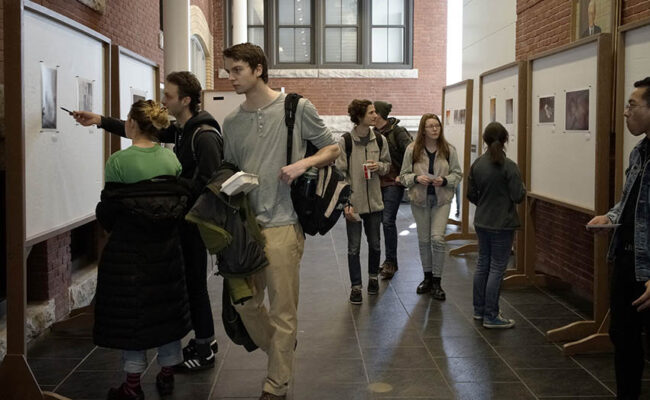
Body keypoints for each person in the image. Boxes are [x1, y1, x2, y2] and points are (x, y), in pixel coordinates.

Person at [73, 71, 221, 371]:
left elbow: (209, 181)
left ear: (186, 100)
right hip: (180, 219)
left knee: (194, 283)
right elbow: (145, 131)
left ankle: (205, 345)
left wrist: (170, 192)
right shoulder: (183, 129)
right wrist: (100, 120)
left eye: (169, 96)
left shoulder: (202, 134)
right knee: (185, 283)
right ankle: (201, 340)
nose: (164, 101)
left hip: (192, 221)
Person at [222, 42, 340, 400]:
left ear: (258, 69)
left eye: (237, 70)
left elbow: (332, 147)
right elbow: (230, 170)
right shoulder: (231, 122)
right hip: (247, 228)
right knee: (245, 304)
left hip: (284, 224)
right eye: (228, 72)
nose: (231, 78)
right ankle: (282, 347)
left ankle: (276, 385)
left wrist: (303, 163)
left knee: (283, 310)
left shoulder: (295, 107)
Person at [94, 100, 191, 400]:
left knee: (133, 316)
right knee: (165, 311)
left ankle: (132, 386)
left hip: (128, 253)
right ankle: (166, 373)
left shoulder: (118, 162)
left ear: (133, 124)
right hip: (166, 250)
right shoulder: (170, 161)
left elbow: (109, 211)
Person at [587, 77, 650, 400]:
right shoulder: (639, 153)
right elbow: (630, 202)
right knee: (622, 338)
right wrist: (610, 219)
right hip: (625, 262)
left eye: (633, 105)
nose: (626, 112)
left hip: (648, 272)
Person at [467, 122, 526, 329]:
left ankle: (479, 310)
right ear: (505, 139)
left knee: (483, 264)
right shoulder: (509, 166)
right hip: (503, 223)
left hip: (482, 222)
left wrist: (484, 205)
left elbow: (470, 194)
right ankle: (491, 315)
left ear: (484, 139)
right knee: (497, 268)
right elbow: (518, 196)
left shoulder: (477, 165)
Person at [399, 114, 462, 300]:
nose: (435, 129)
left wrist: (444, 181)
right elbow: (403, 176)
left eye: (437, 126)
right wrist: (416, 178)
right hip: (419, 200)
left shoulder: (449, 150)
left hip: (442, 201)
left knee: (437, 239)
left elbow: (458, 174)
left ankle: (437, 281)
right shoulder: (413, 150)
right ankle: (427, 278)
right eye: (430, 126)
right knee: (424, 240)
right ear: (423, 130)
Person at [337, 100, 391, 304]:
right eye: (371, 112)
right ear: (360, 116)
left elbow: (388, 166)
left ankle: (373, 278)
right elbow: (340, 174)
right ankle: (356, 287)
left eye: (375, 112)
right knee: (354, 247)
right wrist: (346, 203)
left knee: (376, 245)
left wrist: (380, 167)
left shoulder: (379, 139)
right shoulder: (345, 142)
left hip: (375, 204)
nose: (375, 115)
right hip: (354, 204)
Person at [373, 100, 412, 280]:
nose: (372, 115)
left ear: (380, 114)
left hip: (392, 183)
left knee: (388, 221)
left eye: (374, 112)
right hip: (375, 183)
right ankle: (381, 261)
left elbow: (411, 153)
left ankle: (391, 262)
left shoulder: (398, 132)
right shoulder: (372, 133)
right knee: (377, 222)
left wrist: (403, 176)